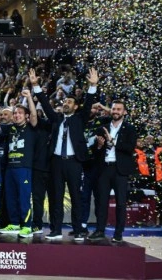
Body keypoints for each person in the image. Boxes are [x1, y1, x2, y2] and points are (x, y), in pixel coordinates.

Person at [32, 67, 99, 241]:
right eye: (65, 101)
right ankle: (56, 230)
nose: (66, 103)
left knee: (76, 197)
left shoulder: (79, 119)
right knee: (56, 197)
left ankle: (78, 230)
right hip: (55, 162)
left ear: (75, 107)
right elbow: (45, 105)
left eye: (69, 102)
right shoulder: (56, 118)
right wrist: (36, 86)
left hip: (74, 162)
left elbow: (88, 104)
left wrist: (93, 86)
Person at [0, 82, 38, 238]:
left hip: (24, 167)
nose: (17, 115)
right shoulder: (11, 128)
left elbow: (34, 116)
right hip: (10, 167)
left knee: (23, 197)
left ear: (25, 116)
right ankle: (14, 224)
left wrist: (29, 97)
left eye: (20, 113)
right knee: (10, 196)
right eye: (15, 113)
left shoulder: (31, 127)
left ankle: (27, 226)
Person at [88, 100, 137, 242]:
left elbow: (130, 148)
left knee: (121, 203)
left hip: (120, 170)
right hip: (104, 169)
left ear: (124, 112)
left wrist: (113, 141)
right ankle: (100, 230)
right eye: (114, 109)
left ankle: (118, 233)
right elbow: (94, 151)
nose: (115, 111)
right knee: (101, 202)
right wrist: (99, 146)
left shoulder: (130, 129)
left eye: (119, 109)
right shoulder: (102, 128)